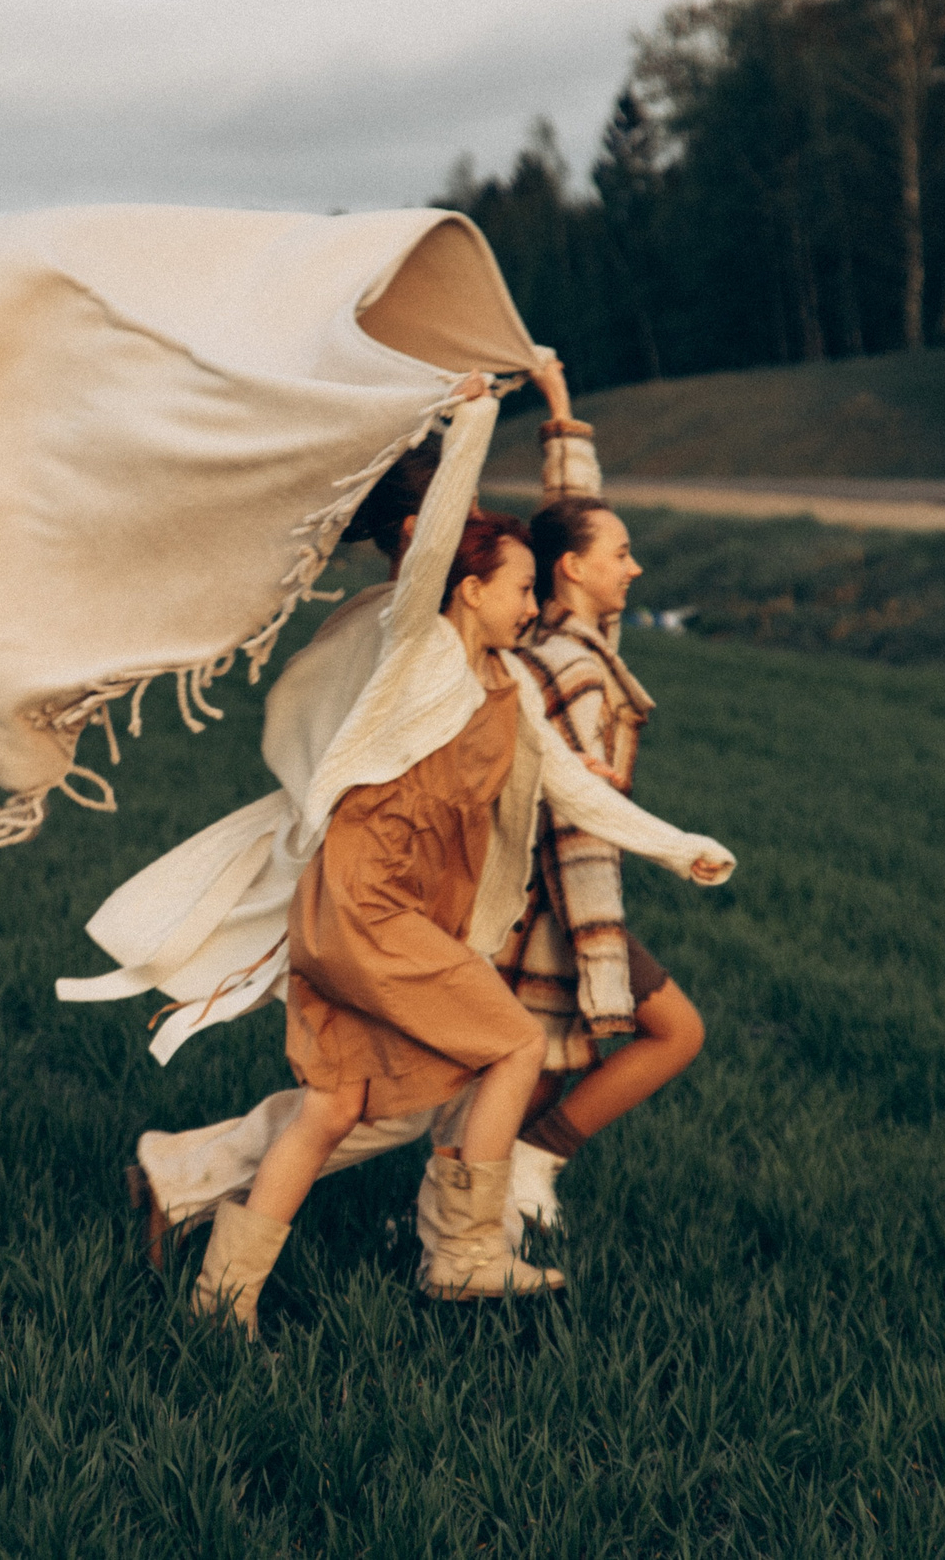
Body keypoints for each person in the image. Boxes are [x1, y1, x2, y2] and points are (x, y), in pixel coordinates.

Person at [185, 461, 737, 1335]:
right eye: (520, 589)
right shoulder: (419, 651)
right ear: (469, 589)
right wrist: (473, 418)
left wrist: (682, 848)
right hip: (369, 906)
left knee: (332, 1109)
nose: (532, 606)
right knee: (515, 1044)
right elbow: (436, 536)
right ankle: (464, 1251)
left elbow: (572, 788)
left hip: (374, 911)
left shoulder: (508, 684)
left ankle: (221, 1305)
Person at [490, 496, 706, 1224]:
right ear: (573, 568)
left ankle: (483, 1210)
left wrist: (563, 431)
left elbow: (568, 510)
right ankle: (524, 1169)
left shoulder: (557, 638)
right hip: (553, 900)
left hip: (536, 895)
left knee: (537, 1075)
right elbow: (575, 821)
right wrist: (598, 942)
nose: (634, 567)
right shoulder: (574, 667)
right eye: (620, 553)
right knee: (676, 1031)